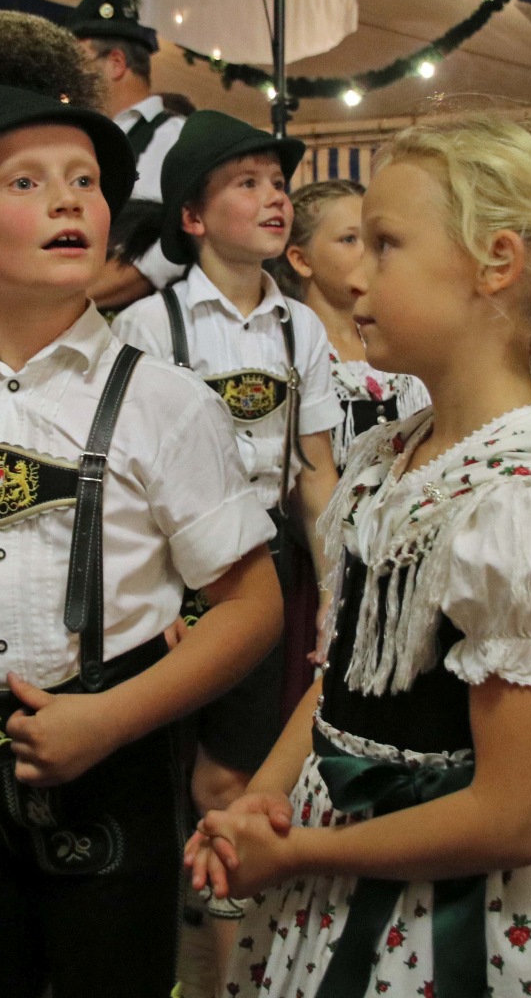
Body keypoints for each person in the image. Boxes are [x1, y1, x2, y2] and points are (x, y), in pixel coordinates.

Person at [0, 76, 283, 998]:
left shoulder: (165, 402)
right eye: (26, 182)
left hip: (112, 773)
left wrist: (114, 717)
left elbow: (253, 608)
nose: (67, 199)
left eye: (84, 180)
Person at [190, 115, 531, 998]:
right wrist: (264, 799)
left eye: (386, 244)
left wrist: (303, 853)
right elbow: (346, 675)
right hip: (343, 848)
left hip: (443, 913)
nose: (355, 274)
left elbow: (514, 816)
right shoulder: (395, 452)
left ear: (495, 263)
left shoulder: (515, 500)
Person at [112, 110, 340, 964]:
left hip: (262, 565)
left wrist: (335, 596)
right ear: (193, 217)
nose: (275, 198)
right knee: (154, 767)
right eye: (247, 183)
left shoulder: (300, 327)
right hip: (170, 567)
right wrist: (162, 596)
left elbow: (316, 474)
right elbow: (125, 487)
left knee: (229, 775)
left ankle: (221, 973)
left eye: (278, 183)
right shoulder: (147, 326)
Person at [271, 177, 428, 468]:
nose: (368, 252)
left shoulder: (401, 336)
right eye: (349, 239)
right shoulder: (288, 347)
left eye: (376, 240)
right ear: (301, 260)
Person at [67, 0, 189, 309]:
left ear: (116, 63)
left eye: (77, 65)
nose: (70, 79)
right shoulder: (82, 139)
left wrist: (58, 305)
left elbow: (161, 255)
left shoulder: (173, 138)